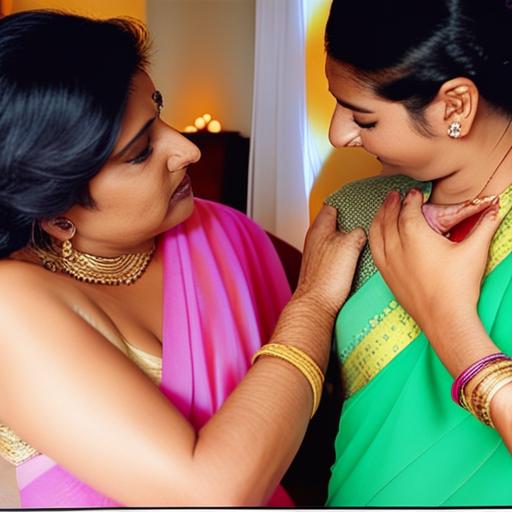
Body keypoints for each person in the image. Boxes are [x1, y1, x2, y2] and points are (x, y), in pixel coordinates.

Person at [0, 10, 366, 507]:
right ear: (55, 212)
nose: (187, 149)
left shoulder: (222, 232)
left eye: (160, 112)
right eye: (140, 152)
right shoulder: (12, 302)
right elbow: (207, 493)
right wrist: (312, 307)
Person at [323, 0, 512, 506]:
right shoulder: (357, 210)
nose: (338, 134)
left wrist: (449, 324)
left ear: (455, 106)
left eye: (363, 118)